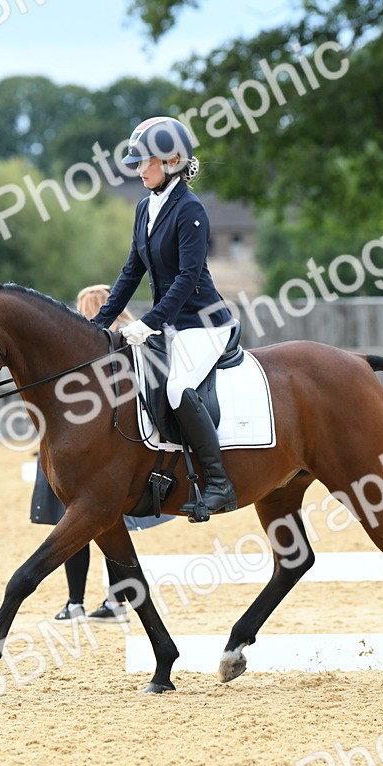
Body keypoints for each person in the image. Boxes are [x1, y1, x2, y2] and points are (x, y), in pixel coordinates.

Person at [91, 116, 238, 520]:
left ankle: (219, 484)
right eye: (137, 163)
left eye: (145, 163)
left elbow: (189, 278)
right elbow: (131, 271)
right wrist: (100, 323)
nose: (139, 170)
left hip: (203, 323)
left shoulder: (191, 211)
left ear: (172, 160)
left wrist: (150, 320)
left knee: (176, 390)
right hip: (171, 325)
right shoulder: (145, 207)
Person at [35, 285, 170, 623]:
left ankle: (75, 602)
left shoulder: (78, 349)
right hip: (120, 448)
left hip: (78, 449)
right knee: (109, 525)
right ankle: (114, 600)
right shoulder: (130, 345)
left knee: (75, 526)